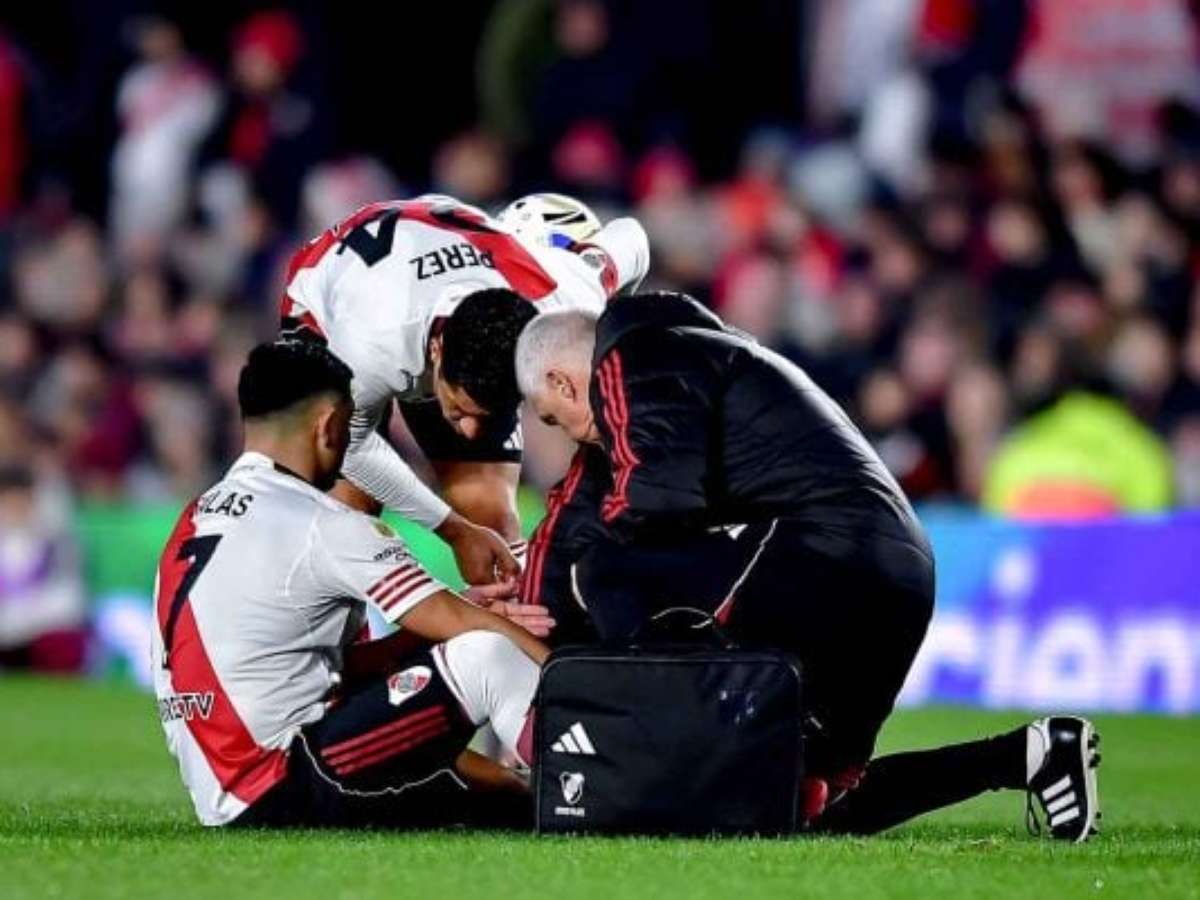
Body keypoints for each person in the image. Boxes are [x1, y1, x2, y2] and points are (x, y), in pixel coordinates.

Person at [513, 292, 1101, 841]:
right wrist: (525, 604)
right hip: (897, 573)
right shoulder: (693, 361)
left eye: (554, 418)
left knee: (604, 568)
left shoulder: (634, 356)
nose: (568, 436)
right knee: (804, 805)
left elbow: (658, 499)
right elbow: (576, 518)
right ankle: (1031, 754)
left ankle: (641, 736)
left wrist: (581, 664)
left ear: (563, 382)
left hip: (823, 553)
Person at [152, 340, 550, 828]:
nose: (350, 450)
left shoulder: (193, 521)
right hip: (290, 777)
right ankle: (596, 777)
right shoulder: (320, 523)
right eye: (351, 431)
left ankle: (560, 796)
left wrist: (460, 619)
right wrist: (551, 662)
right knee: (487, 655)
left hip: (236, 792)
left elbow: (324, 670)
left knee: (514, 800)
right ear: (329, 425)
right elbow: (465, 631)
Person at [278, 192, 649, 587]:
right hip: (325, 301)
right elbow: (351, 448)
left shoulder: (558, 295)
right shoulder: (369, 344)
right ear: (436, 354)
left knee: (496, 530)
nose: (470, 431)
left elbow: (632, 237)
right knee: (349, 519)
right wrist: (453, 530)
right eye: (460, 410)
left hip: (447, 269)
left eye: (491, 414)